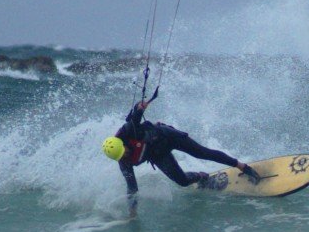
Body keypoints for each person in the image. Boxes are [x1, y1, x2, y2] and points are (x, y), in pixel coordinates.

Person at [102, 89, 261, 217]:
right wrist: (132, 213)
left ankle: (242, 166)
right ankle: (201, 176)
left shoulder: (127, 131)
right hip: (158, 155)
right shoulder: (124, 163)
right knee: (183, 181)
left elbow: (134, 117)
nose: (125, 155)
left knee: (202, 153)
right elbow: (132, 188)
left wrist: (139, 107)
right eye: (121, 157)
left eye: (124, 151)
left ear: (122, 144)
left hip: (167, 136)